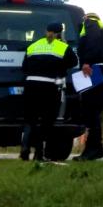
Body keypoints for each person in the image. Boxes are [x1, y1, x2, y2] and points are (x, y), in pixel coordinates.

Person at [20, 22, 77, 162]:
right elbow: (73, 62)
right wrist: (59, 67)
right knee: (46, 121)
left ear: (46, 31)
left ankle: (25, 148)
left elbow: (24, 67)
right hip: (49, 87)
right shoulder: (62, 46)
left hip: (30, 85)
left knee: (30, 119)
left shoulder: (33, 45)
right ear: (60, 33)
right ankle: (39, 154)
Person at [74, 11, 103, 161]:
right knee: (95, 110)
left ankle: (93, 149)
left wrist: (86, 61)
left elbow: (90, 42)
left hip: (94, 69)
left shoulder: (90, 24)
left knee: (90, 109)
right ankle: (96, 148)